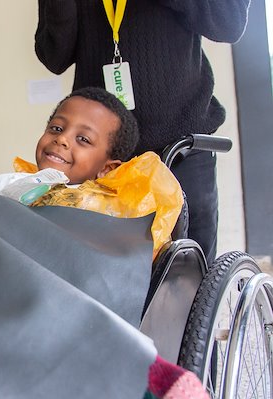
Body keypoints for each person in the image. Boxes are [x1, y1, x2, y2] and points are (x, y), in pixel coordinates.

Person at [34, 0, 250, 266]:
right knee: (98, 265)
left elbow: (229, 24)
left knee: (190, 269)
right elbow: (54, 56)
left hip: (182, 141)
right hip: (101, 151)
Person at [0, 86, 139, 195]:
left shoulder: (106, 215)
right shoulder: (10, 185)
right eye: (56, 128)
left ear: (106, 169)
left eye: (83, 139)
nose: (61, 139)